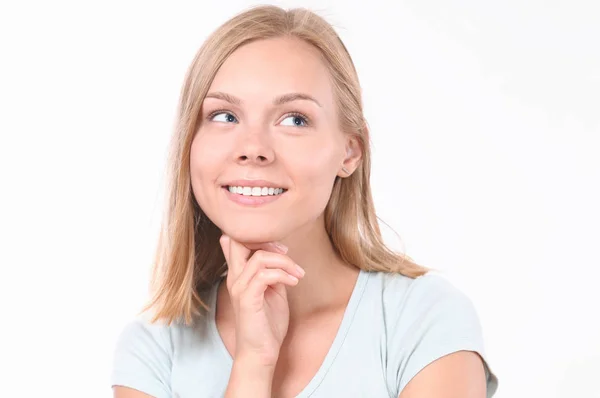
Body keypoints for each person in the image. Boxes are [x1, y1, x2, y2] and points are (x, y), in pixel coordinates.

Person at [111, 5, 498, 398]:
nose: (253, 148)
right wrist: (253, 364)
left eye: (294, 119)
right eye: (224, 115)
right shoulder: (153, 352)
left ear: (350, 152)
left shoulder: (424, 321)